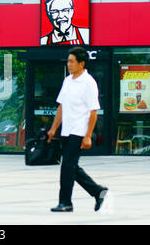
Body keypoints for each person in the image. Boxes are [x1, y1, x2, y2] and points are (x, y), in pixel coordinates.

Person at [47, 47, 108, 212]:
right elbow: (61, 106)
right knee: (71, 166)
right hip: (66, 131)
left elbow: (93, 111)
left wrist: (88, 136)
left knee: (67, 167)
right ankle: (97, 191)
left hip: (79, 131)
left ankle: (65, 202)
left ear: (81, 63)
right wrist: (53, 129)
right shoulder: (68, 81)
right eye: (68, 61)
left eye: (72, 61)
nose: (68, 64)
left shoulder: (89, 83)